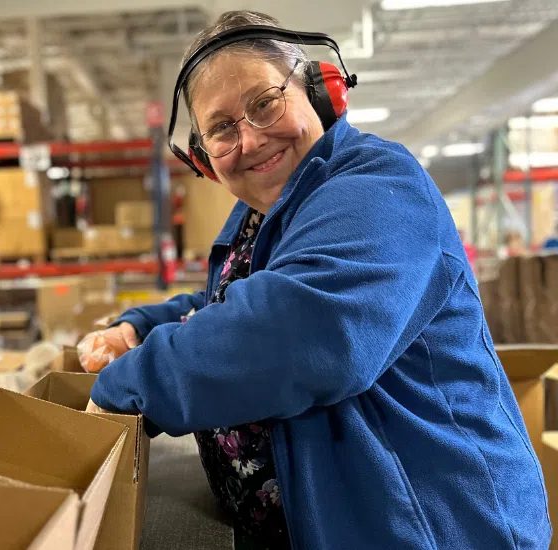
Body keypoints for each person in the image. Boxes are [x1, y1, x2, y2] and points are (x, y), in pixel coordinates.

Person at [84, 10, 551, 550]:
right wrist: (139, 326)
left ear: (321, 93)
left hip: (432, 526)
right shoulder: (267, 212)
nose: (251, 140)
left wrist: (127, 386)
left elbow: (298, 331)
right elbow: (227, 300)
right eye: (221, 128)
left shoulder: (377, 187)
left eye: (264, 104)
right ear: (204, 158)